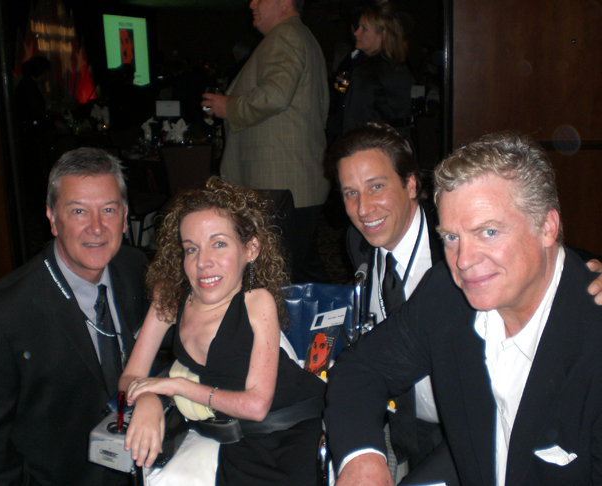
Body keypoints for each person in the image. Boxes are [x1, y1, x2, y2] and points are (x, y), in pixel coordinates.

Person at [325, 132, 602, 486]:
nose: (464, 261)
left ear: (547, 226)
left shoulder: (590, 334)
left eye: (488, 232)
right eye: (451, 237)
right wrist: (362, 456)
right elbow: (361, 368)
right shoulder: (447, 293)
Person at [0, 147, 148, 486]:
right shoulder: (0, 315)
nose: (97, 228)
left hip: (130, 466)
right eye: (78, 211)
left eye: (108, 209)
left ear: (125, 214)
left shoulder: (134, 269)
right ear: (52, 218)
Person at [120, 177, 326, 485]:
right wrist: (147, 399)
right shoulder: (170, 297)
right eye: (191, 249)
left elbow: (257, 406)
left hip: (289, 427)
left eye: (219, 244)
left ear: (251, 249)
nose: (203, 262)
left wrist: (175, 386)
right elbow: (129, 376)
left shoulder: (258, 303)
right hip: (235, 434)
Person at [329, 121, 451, 483]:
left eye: (376, 186)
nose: (363, 208)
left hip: (462, 425)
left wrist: (589, 270)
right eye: (350, 193)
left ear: (411, 185)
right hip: (401, 424)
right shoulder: (359, 242)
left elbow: (530, 253)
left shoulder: (453, 244)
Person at [201, 0, 329, 283]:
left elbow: (275, 95)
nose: (251, 3)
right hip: (292, 183)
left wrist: (229, 108)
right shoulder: (297, 36)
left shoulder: (286, 36)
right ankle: (330, 324)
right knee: (300, 273)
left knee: (280, 279)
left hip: (280, 185)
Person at [328, 3, 413, 142]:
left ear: (382, 34)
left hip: (370, 146)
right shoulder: (400, 66)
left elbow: (354, 121)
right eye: (357, 27)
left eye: (364, 29)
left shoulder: (366, 71)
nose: (356, 33)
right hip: (397, 146)